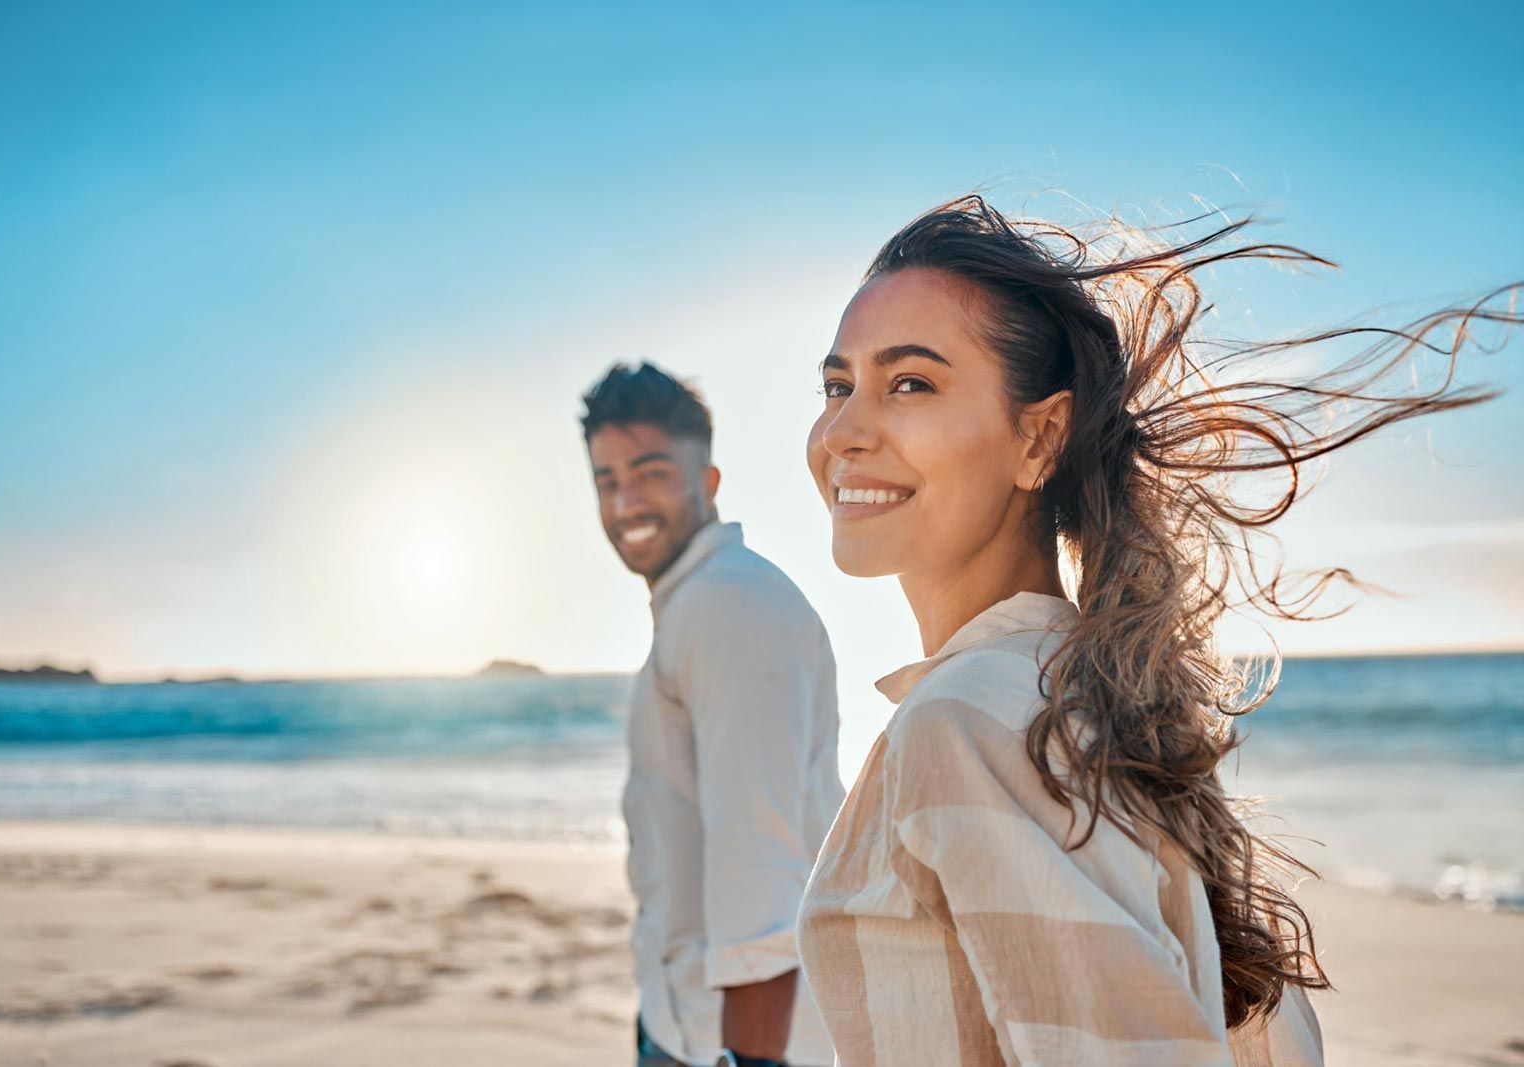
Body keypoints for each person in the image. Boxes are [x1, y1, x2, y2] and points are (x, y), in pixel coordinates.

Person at [794, 196, 1517, 1065]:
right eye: (839, 387)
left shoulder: (971, 722)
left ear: (1040, 437)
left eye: (910, 382)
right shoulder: (1086, 690)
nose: (843, 431)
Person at [582, 362, 843, 1067]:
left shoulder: (727, 604)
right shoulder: (697, 605)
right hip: (683, 1022)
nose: (626, 501)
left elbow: (758, 878)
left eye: (652, 472)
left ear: (710, 481)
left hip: (733, 1046)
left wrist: (746, 1062)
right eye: (607, 480)